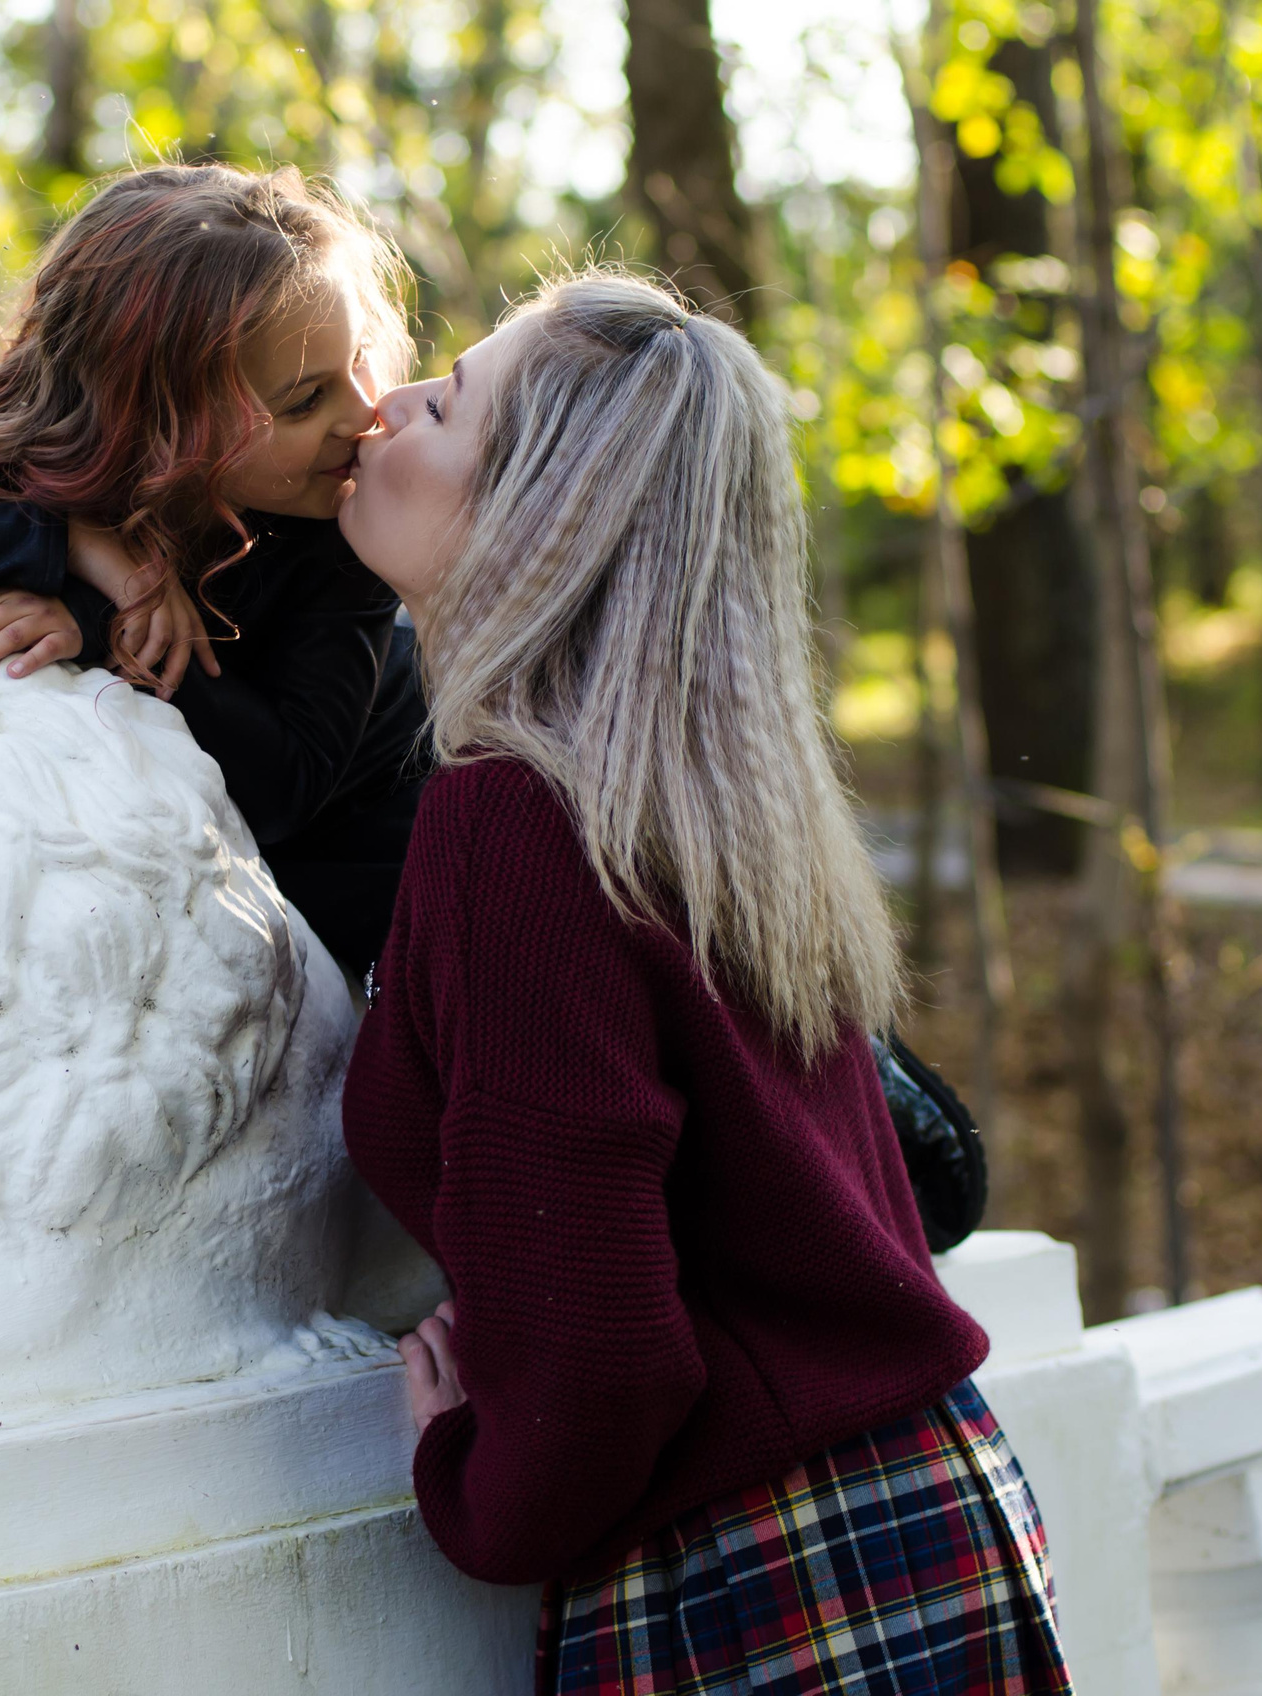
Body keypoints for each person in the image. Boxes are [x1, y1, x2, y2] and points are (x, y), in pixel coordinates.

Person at [334, 270, 1075, 1695]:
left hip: (764, 1577)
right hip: (935, 1505)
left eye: (442, 402)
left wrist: (472, 1483)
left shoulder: (514, 823)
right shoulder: (710, 812)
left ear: (538, 511)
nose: (386, 408)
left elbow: (602, 1352)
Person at [0, 163, 426, 973]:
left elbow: (285, 788)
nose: (363, 413)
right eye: (304, 401)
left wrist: (97, 625)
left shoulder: (340, 524)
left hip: (370, 886)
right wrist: (66, 545)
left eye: (359, 362)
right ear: (157, 423)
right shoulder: (28, 473)